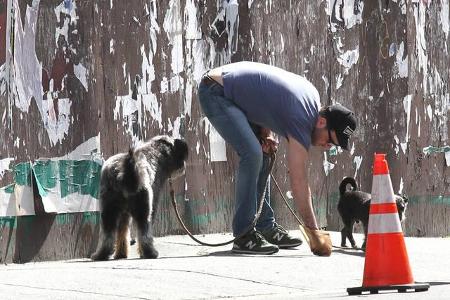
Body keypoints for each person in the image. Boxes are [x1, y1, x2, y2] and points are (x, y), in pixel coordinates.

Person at [197, 61, 357, 255]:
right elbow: (298, 179)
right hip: (216, 91)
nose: (327, 146)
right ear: (322, 122)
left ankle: (265, 227)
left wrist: (266, 133)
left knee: (265, 153)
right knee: (252, 153)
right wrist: (314, 232)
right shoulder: (302, 117)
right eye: (330, 140)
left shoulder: (310, 100)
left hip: (233, 92)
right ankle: (243, 236)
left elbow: (268, 99)